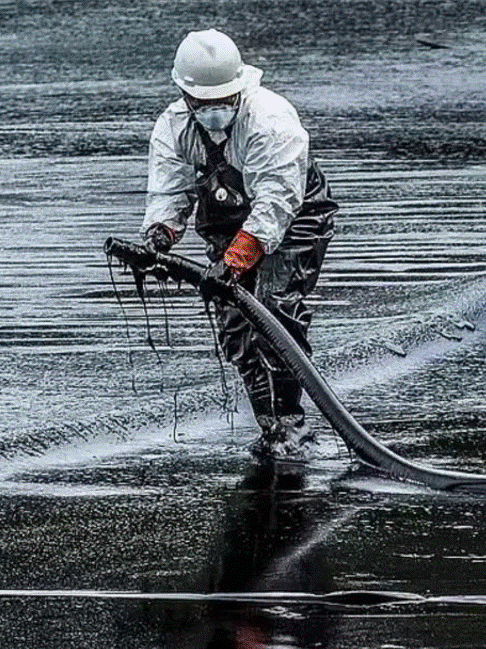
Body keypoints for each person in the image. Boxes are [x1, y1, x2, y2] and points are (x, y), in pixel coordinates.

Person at [141, 28, 338, 461]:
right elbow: (169, 193)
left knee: (275, 309)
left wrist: (236, 260)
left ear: (239, 89)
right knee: (236, 328)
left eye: (221, 102)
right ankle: (269, 428)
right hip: (227, 222)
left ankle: (292, 423)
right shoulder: (173, 128)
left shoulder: (270, 120)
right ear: (186, 96)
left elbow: (276, 202)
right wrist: (160, 236)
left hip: (296, 217)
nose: (213, 111)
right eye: (203, 104)